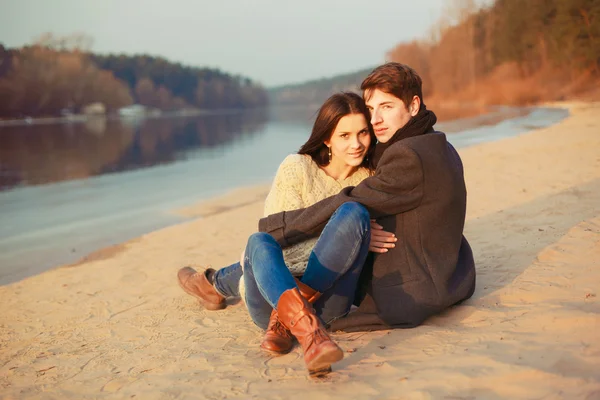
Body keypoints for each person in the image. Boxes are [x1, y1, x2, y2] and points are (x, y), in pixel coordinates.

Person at [178, 92, 396, 376]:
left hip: (330, 302)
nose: (356, 144)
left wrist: (357, 233)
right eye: (344, 135)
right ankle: (310, 334)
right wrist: (353, 239)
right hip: (271, 303)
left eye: (363, 132)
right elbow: (277, 236)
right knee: (259, 242)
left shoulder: (369, 178)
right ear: (327, 138)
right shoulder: (297, 168)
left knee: (354, 214)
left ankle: (213, 284)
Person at [258, 62, 476, 332]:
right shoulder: (439, 144)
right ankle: (219, 281)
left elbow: (352, 199)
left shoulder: (408, 156)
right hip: (450, 275)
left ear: (414, 105)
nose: (375, 121)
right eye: (371, 109)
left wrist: (281, 226)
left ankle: (230, 282)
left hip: (413, 291)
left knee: (273, 243)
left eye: (387, 107)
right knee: (263, 251)